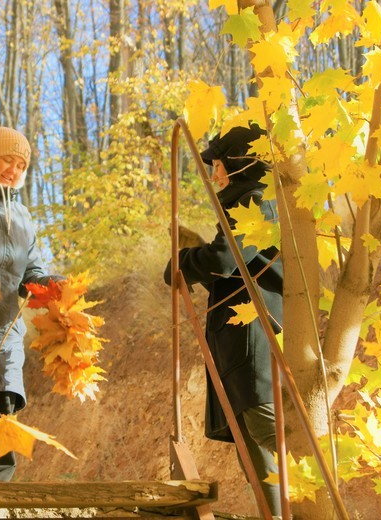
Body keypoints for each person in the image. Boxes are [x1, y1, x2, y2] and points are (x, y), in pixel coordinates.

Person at [164, 124, 283, 515]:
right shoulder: (255, 202)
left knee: (270, 448)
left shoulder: (254, 201)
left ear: (239, 164)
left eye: (218, 165)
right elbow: (233, 264)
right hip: (246, 348)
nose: (214, 175)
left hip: (253, 349)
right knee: (257, 458)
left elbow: (223, 260)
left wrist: (181, 261)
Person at [0, 127, 64, 481]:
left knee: (2, 430)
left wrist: (48, 285)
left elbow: (32, 271)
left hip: (6, 338)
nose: (13, 169)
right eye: (7, 160)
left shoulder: (25, 217)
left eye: (21, 164)